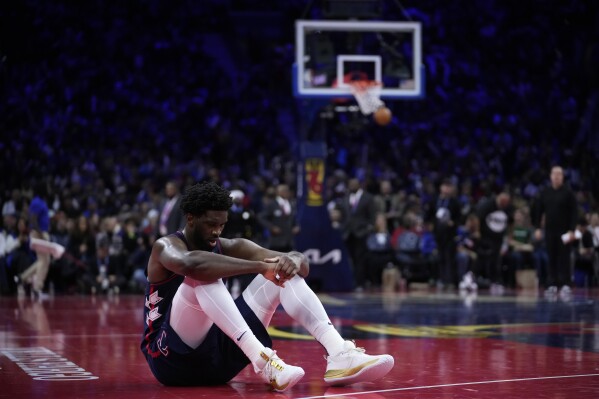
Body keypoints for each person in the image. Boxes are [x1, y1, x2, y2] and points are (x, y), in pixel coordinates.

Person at [140, 181, 394, 392]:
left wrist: (291, 260)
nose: (217, 231)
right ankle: (265, 362)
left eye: (222, 224)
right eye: (211, 224)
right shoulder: (166, 246)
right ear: (191, 218)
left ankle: (339, 354)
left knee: (282, 272)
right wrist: (260, 267)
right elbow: (191, 265)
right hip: (170, 359)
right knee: (202, 276)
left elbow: (299, 262)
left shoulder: (229, 244)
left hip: (218, 360)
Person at [532, 166, 578, 297]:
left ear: (563, 177)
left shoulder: (568, 193)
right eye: (554, 174)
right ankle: (552, 283)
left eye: (559, 174)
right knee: (551, 257)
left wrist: (572, 230)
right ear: (550, 176)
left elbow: (574, 212)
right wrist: (537, 228)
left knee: (564, 258)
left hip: (565, 231)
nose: (557, 176)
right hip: (550, 230)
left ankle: (565, 284)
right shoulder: (545, 192)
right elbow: (538, 211)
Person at [339, 178, 378, 291]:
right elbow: (343, 215)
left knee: (360, 259)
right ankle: (351, 282)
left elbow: (372, 217)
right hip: (348, 233)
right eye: (350, 184)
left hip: (361, 233)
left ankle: (359, 283)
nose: (352, 186)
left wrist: (368, 229)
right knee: (350, 259)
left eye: (354, 184)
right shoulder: (346, 198)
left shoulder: (368, 198)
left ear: (359, 185)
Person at [18, 182, 52, 298]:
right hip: (39, 234)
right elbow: (32, 220)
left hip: (42, 233)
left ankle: (22, 278)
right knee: (44, 261)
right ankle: (37, 289)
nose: (49, 189)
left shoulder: (41, 201)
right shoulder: (36, 202)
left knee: (42, 261)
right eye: (47, 186)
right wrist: (40, 233)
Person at [426, 179, 461, 289]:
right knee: (439, 257)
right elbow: (428, 215)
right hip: (437, 234)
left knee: (449, 258)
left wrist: (453, 223)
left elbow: (459, 219)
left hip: (450, 234)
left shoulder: (455, 202)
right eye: (445, 186)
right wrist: (430, 223)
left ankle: (449, 281)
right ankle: (439, 279)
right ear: (441, 187)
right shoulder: (434, 200)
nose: (447, 189)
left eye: (449, 187)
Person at [476, 192, 514, 294]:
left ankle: (496, 280)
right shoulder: (487, 205)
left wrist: (510, 235)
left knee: (497, 259)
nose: (504, 204)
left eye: (506, 202)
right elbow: (478, 218)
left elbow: (511, 222)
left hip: (499, 237)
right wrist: (478, 232)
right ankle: (482, 279)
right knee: (485, 257)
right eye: (503, 201)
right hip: (486, 236)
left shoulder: (508, 208)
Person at [257, 184, 300, 252]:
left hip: (289, 241)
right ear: (279, 192)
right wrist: (271, 227)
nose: (287, 192)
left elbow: (294, 218)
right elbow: (261, 217)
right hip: (276, 241)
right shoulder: (272, 204)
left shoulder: (292, 203)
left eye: (287, 190)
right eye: (284, 191)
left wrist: (296, 226)